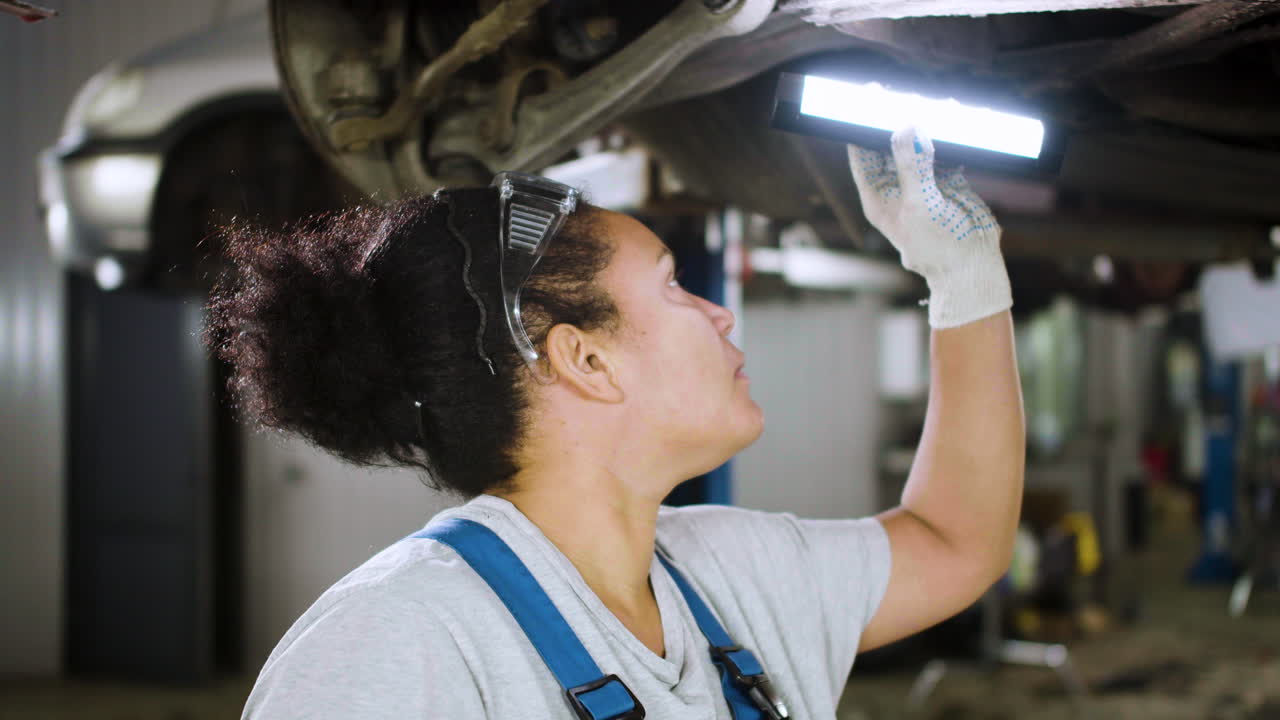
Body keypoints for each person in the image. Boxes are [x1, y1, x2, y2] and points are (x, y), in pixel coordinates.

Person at [206, 127, 1024, 719]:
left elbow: (955, 540)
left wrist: (964, 280)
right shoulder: (397, 641)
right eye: (673, 288)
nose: (719, 316)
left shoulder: (727, 576)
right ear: (585, 362)